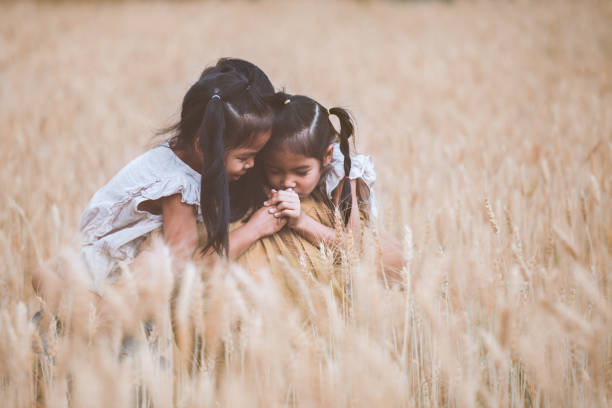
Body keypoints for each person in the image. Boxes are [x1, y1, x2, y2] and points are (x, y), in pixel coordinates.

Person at [77, 69, 284, 293]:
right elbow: (186, 263)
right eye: (244, 157)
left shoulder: (180, 154)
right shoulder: (178, 188)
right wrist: (255, 229)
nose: (252, 165)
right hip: (106, 279)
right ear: (202, 147)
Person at [235, 93, 403, 290]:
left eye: (301, 172)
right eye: (275, 171)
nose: (288, 182)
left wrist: (301, 222)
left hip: (358, 260)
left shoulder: (343, 175)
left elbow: (352, 246)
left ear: (326, 156)